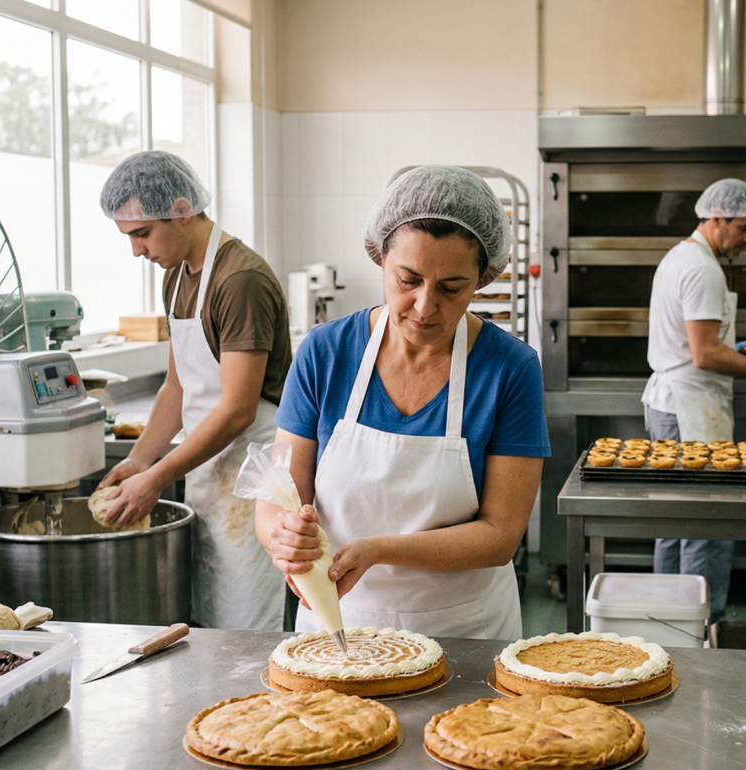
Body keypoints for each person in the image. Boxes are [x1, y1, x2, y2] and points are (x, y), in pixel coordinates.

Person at [254, 165, 550, 640]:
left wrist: (378, 550)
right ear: (380, 258)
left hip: (464, 631)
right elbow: (277, 498)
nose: (425, 306)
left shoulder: (510, 368)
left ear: (484, 279)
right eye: (407, 280)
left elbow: (500, 534)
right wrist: (282, 537)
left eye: (452, 288)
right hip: (337, 624)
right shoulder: (325, 352)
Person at [97, 151, 293, 630]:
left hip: (251, 478)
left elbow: (237, 411)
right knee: (209, 622)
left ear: (182, 209)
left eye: (142, 234)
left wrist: (158, 477)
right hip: (209, 473)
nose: (136, 251)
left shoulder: (239, 280)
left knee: (244, 629)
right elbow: (177, 386)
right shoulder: (177, 277)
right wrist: (141, 461)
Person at [640, 178, 746, 623]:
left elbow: (696, 338)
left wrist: (733, 343)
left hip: (673, 402)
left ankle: (669, 616)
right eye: (745, 227)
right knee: (704, 522)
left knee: (675, 522)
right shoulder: (702, 269)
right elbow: (704, 353)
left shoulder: (682, 257)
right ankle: (703, 621)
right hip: (690, 407)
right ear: (717, 218)